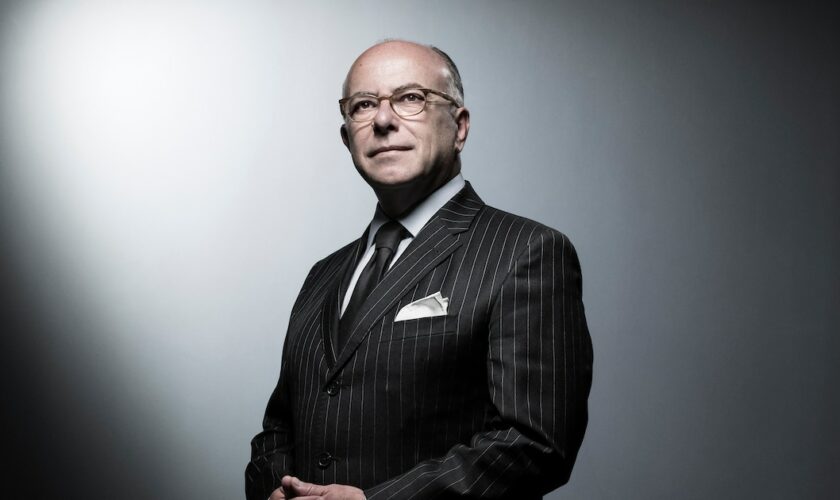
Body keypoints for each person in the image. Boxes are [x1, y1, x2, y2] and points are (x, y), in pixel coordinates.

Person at [245, 40, 593, 500]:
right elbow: (279, 427)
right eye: (364, 105)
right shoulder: (322, 275)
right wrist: (274, 489)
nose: (384, 120)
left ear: (460, 127)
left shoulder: (525, 251)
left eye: (411, 98)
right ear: (348, 136)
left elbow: (534, 443)